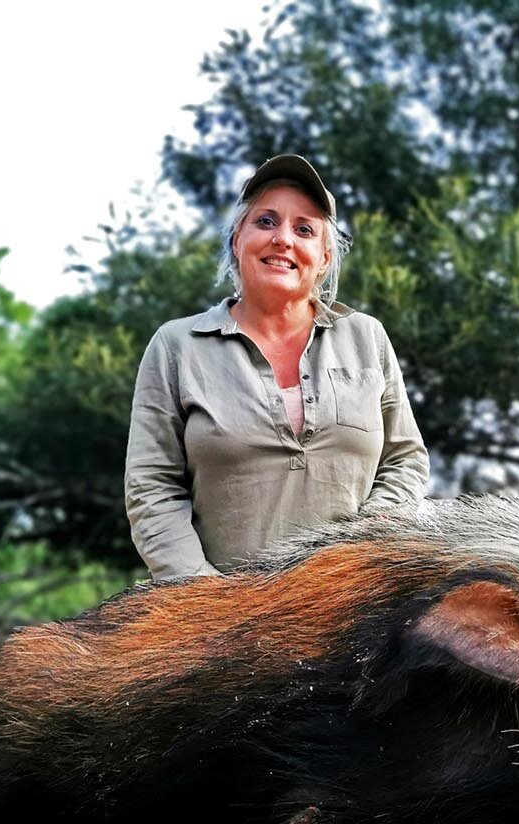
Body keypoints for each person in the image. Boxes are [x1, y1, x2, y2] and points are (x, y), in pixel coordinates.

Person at [124, 155, 430, 580]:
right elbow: (152, 487)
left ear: (323, 257)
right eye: (265, 221)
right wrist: (202, 595)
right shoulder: (177, 347)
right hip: (220, 619)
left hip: (354, 612)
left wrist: (363, 549)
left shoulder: (366, 338)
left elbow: (405, 459)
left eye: (304, 229)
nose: (283, 239)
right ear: (237, 239)